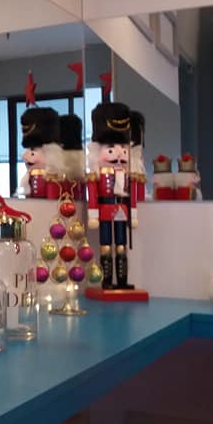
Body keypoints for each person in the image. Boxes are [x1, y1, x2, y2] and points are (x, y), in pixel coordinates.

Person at [86, 103, 137, 289]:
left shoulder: (127, 173)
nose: (118, 154)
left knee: (121, 247)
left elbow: (132, 195)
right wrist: (93, 215)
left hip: (121, 210)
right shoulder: (97, 174)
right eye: (110, 149)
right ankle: (107, 281)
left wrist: (133, 214)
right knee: (106, 247)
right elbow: (93, 194)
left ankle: (122, 281)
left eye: (123, 148)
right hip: (105, 211)